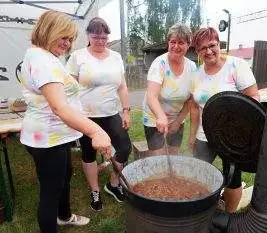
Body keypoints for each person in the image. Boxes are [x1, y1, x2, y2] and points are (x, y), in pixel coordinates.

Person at [20, 11, 112, 233]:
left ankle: (64, 216)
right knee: (50, 193)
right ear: (48, 30)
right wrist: (95, 130)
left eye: (70, 39)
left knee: (63, 178)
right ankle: (55, 221)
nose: (67, 43)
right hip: (48, 139)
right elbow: (59, 107)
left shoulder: (43, 56)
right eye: (63, 36)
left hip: (55, 136)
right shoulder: (43, 60)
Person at [190, 27, 260, 213]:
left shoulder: (236, 66)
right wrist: (191, 135)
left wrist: (235, 123)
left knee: (232, 176)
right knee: (198, 171)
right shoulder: (196, 74)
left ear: (219, 44)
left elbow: (253, 97)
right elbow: (195, 108)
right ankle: (200, 209)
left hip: (232, 137)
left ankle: (228, 214)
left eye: (212, 45)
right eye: (202, 48)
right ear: (197, 51)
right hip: (204, 134)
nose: (208, 51)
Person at [66, 17, 132, 211]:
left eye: (104, 37)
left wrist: (126, 111)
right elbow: (69, 88)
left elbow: (122, 87)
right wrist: (71, 114)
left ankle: (113, 183)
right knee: (89, 155)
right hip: (85, 115)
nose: (101, 41)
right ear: (88, 36)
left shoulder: (115, 57)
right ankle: (95, 192)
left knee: (124, 148)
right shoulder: (78, 56)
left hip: (111, 112)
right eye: (96, 37)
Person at [143, 23, 197, 155]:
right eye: (173, 42)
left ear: (188, 45)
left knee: (174, 153)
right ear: (168, 42)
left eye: (181, 42)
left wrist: (178, 121)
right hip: (154, 116)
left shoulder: (192, 68)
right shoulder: (159, 64)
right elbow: (152, 96)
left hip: (177, 116)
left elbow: (190, 99)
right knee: (158, 157)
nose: (176, 46)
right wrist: (161, 117)